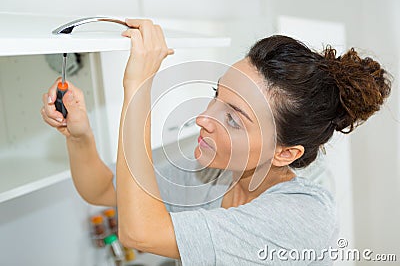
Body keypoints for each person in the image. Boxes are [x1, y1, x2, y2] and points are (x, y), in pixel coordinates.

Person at [41, 19, 391, 265]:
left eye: (233, 119)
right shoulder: (211, 174)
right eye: (216, 95)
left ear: (285, 153)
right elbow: (102, 190)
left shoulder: (304, 218)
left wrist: (138, 88)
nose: (203, 119)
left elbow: (139, 234)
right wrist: (80, 137)